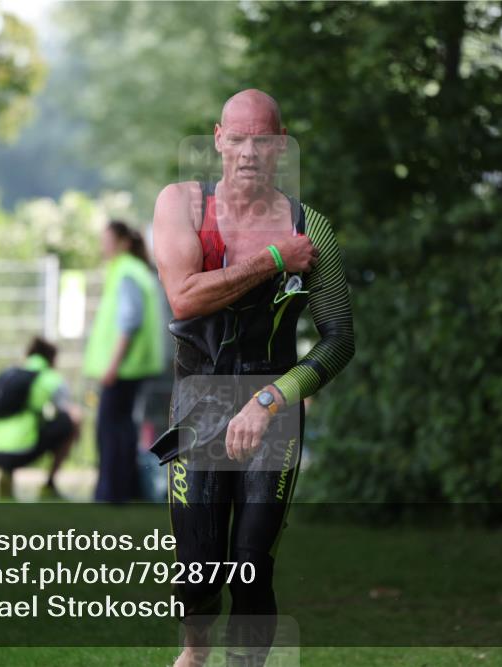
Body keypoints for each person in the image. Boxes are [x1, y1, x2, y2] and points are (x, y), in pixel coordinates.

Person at [151, 89, 355, 666]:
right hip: (198, 404)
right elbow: (184, 298)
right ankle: (193, 654)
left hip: (271, 407)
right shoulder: (182, 205)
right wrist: (273, 259)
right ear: (218, 139)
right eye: (236, 139)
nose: (247, 152)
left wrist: (274, 396)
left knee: (249, 565)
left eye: (261, 140)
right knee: (197, 565)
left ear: (280, 146)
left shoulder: (311, 228)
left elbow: (341, 340)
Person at [82, 221, 166, 503]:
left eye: (107, 240)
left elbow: (129, 321)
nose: (102, 246)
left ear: (123, 242)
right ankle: (126, 489)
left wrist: (112, 365)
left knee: (110, 428)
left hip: (123, 367)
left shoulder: (127, 272)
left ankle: (111, 492)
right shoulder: (134, 271)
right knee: (123, 426)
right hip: (132, 367)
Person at [0, 336, 79, 500]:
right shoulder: (50, 378)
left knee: (21, 424)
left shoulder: (8, 374)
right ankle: (49, 484)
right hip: (21, 449)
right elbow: (72, 413)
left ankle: (6, 475)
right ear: (52, 360)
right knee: (71, 422)